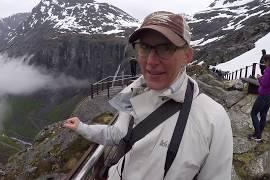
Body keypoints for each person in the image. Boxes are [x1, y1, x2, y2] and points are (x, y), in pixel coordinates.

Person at [63, 11, 233, 180]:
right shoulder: (134, 91)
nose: (151, 61)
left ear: (187, 56)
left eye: (165, 48)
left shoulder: (213, 120)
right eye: (144, 47)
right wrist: (81, 127)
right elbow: (117, 135)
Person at [249, 54, 270, 142]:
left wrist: (259, 78)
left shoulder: (268, 70)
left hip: (263, 95)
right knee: (263, 114)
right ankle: (259, 133)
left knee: (254, 113)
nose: (264, 63)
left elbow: (265, 83)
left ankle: (257, 136)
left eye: (265, 61)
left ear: (268, 61)